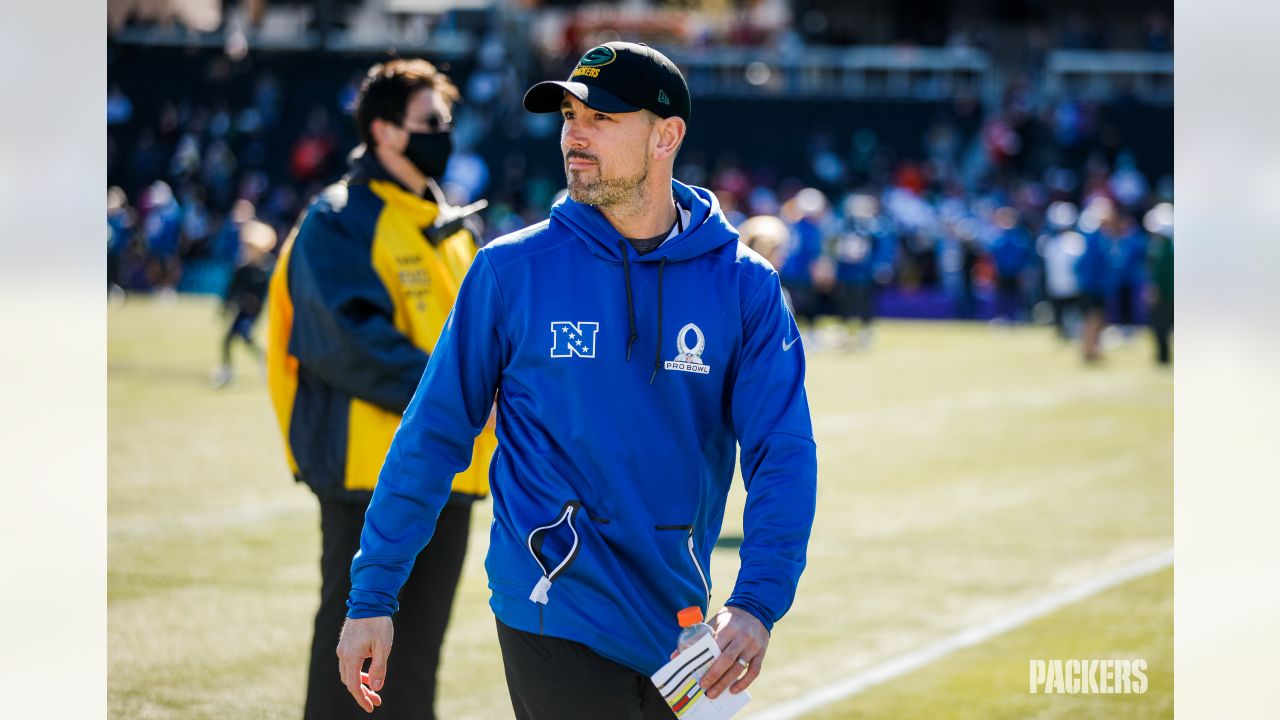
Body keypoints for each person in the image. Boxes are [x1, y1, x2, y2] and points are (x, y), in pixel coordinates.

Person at [336, 42, 818, 720]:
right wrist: (373, 598)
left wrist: (757, 601)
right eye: (569, 115)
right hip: (550, 605)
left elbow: (784, 454)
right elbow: (433, 435)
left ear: (667, 135)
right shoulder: (510, 271)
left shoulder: (744, 287)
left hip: (684, 627)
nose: (574, 135)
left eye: (602, 117)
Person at [264, 58, 497, 720]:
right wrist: (462, 402)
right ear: (384, 131)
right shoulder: (337, 219)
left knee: (417, 663)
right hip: (368, 471)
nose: (443, 133)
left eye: (446, 121)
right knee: (354, 658)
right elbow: (348, 340)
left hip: (452, 471)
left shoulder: (454, 227)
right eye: (430, 122)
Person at [211, 215, 276, 389]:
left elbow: (261, 294)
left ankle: (265, 363)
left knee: (243, 337)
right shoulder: (243, 268)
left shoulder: (264, 269)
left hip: (252, 313)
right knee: (231, 340)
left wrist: (252, 303)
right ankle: (228, 370)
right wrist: (225, 306)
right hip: (242, 310)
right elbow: (232, 289)